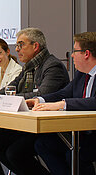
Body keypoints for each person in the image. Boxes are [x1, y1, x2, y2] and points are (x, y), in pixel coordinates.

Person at [0, 28, 70, 175]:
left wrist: (2, 98)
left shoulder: (52, 65)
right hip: (29, 124)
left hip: (48, 128)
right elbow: (12, 86)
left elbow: (42, 95)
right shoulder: (29, 66)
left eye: (21, 45)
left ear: (35, 46)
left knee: (14, 153)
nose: (16, 49)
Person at [26, 32, 96, 175]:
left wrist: (62, 104)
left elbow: (94, 101)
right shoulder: (81, 74)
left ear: (86, 54)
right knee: (43, 144)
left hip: (93, 135)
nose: (71, 56)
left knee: (75, 154)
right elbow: (64, 93)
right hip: (80, 132)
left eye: (75, 51)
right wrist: (40, 100)